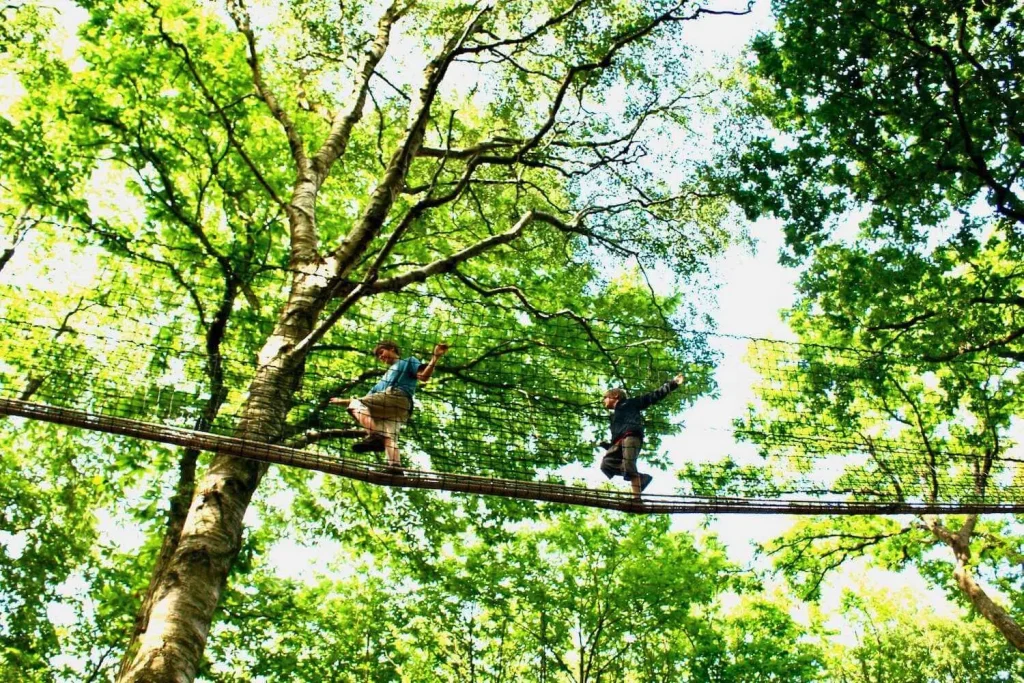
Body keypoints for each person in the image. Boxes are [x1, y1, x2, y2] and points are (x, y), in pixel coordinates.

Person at [331, 340, 448, 470]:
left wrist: (435, 357)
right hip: (398, 409)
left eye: (382, 352)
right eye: (379, 356)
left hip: (397, 397)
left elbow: (423, 376)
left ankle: (374, 436)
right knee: (388, 437)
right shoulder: (382, 381)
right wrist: (340, 401)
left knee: (355, 403)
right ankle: (395, 467)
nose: (381, 357)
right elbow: (365, 399)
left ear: (392, 349)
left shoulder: (408, 361)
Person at [599, 373, 684, 497]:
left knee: (629, 465)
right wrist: (607, 445)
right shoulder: (614, 417)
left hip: (631, 437)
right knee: (606, 464)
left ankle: (636, 498)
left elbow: (652, 396)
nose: (603, 400)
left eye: (605, 397)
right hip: (618, 442)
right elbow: (616, 436)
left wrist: (673, 384)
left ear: (615, 395)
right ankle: (641, 478)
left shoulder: (631, 403)